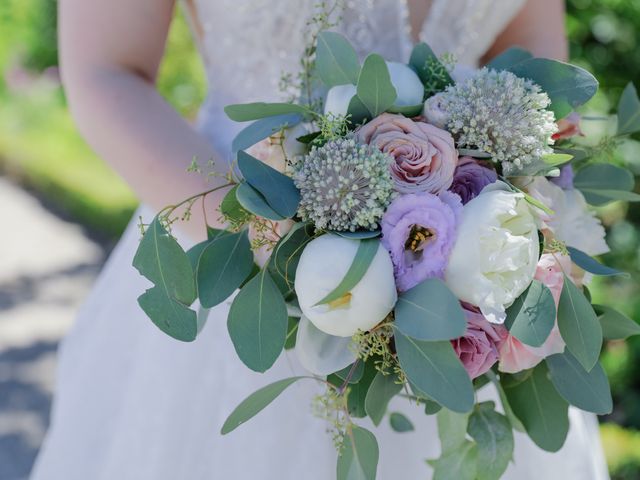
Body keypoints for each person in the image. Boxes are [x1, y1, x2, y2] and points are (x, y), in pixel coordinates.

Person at [31, 0, 610, 478]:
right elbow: (106, 69)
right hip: (237, 260)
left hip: (451, 315)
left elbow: (539, 86)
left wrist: (516, 224)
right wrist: (264, 238)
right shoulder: (252, 245)